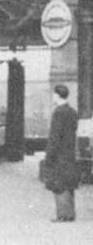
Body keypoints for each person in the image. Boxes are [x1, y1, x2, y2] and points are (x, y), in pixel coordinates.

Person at [45, 84, 79, 222]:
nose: (52, 97)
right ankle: (70, 214)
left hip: (59, 153)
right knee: (69, 183)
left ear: (57, 96)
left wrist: (49, 155)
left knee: (59, 183)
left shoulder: (58, 112)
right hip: (69, 152)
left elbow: (55, 136)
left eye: (53, 94)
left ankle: (63, 215)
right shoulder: (72, 111)